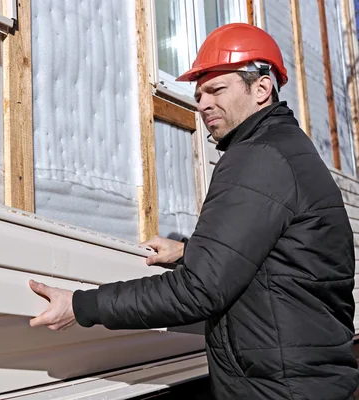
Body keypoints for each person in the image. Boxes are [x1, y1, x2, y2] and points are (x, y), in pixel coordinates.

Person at [28, 23, 359, 399]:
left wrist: (81, 305)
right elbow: (278, 257)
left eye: (216, 89)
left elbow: (199, 290)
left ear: (262, 88)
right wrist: (191, 252)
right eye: (199, 94)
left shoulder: (259, 157)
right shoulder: (287, 149)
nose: (202, 104)